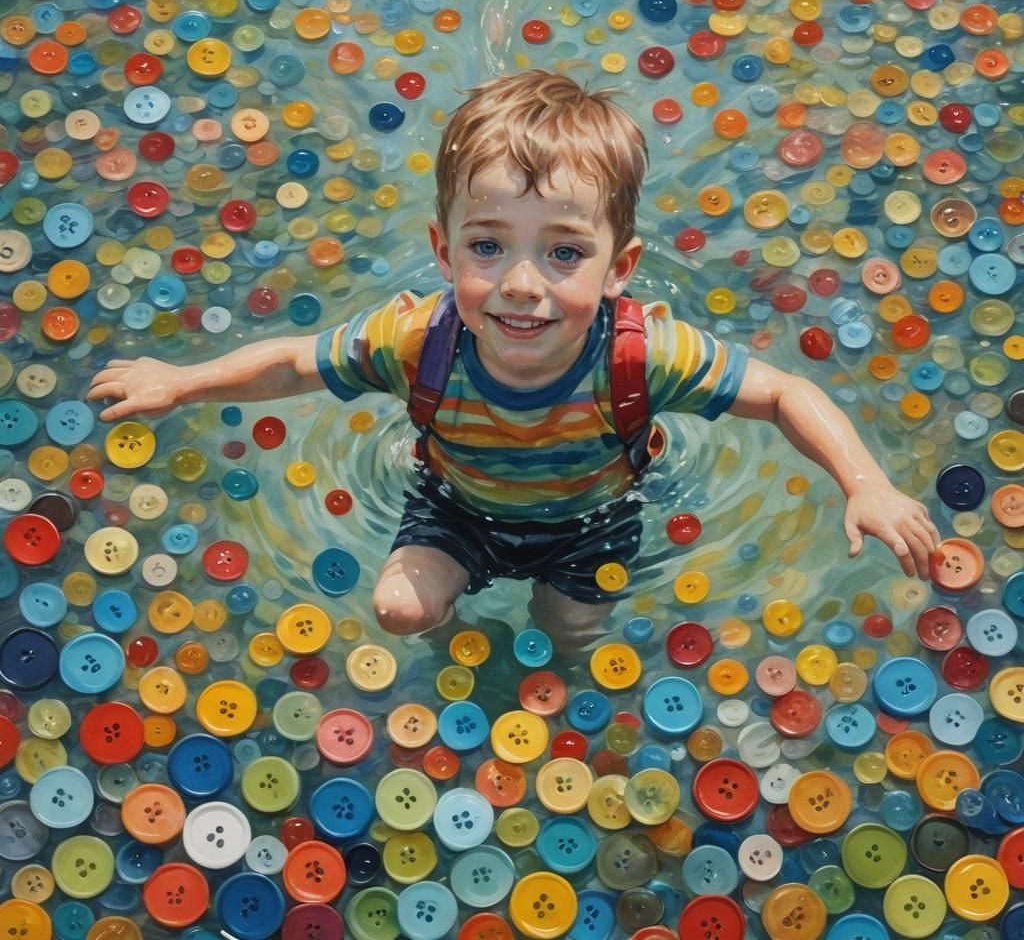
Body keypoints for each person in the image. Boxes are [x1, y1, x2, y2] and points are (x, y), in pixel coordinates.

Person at [86, 70, 942, 652]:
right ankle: (454, 649)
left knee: (572, 634)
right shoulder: (418, 340)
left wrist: (864, 482)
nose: (521, 284)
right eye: (488, 246)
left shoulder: (642, 356)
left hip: (593, 518)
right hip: (457, 507)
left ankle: (543, 679)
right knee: (398, 608)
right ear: (444, 249)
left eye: (564, 253)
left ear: (619, 268)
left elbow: (783, 393)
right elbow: (295, 366)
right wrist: (183, 382)